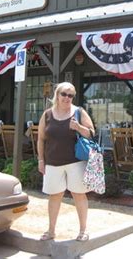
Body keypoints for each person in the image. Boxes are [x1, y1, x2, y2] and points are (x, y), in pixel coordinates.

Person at [37, 81, 95, 242]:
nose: (67, 98)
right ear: (57, 94)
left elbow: (91, 133)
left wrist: (78, 128)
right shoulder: (47, 115)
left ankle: (83, 230)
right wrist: (41, 160)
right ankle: (51, 231)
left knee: (79, 195)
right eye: (64, 94)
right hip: (52, 163)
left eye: (71, 95)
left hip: (75, 162)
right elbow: (41, 139)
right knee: (54, 196)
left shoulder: (79, 112)